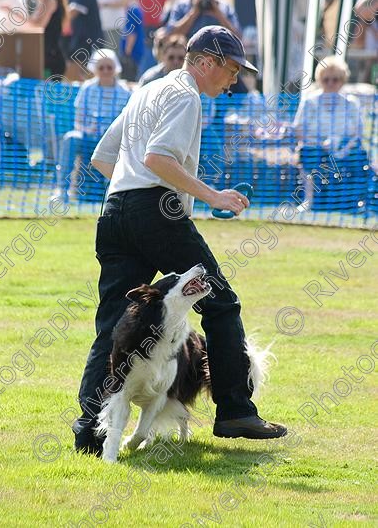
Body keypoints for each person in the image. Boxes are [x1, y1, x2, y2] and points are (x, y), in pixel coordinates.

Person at [72, 25, 287, 456]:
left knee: (113, 324)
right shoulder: (186, 95)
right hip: (158, 214)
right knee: (221, 303)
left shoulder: (145, 91)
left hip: (115, 213)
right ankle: (234, 411)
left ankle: (90, 430)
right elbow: (158, 158)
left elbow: (102, 157)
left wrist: (133, 192)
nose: (234, 80)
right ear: (206, 62)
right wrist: (211, 195)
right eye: (231, 70)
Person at [53, 49, 130, 203]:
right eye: (101, 67)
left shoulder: (125, 92)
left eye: (110, 67)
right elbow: (78, 121)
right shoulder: (87, 89)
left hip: (115, 141)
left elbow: (129, 123)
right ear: (95, 69)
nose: (106, 71)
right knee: (70, 138)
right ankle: (62, 189)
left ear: (116, 68)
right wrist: (88, 129)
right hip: (88, 136)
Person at [293, 56, 366, 210]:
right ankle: (309, 201)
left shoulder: (352, 103)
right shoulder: (309, 101)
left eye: (336, 79)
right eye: (326, 79)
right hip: (314, 147)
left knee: (360, 157)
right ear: (320, 79)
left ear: (342, 80)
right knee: (308, 155)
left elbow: (359, 133)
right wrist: (320, 144)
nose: (331, 83)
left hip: (346, 148)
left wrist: (343, 148)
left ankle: (355, 203)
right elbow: (299, 129)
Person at [23, 0, 66, 77]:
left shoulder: (50, 1)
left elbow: (39, 26)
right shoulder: (42, 2)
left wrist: (17, 16)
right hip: (46, 56)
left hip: (52, 59)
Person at [67, 0, 103, 79]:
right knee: (76, 68)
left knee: (92, 69)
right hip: (78, 37)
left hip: (91, 37)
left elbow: (73, 12)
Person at [135, 0, 167, 75]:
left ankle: (141, 76)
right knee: (156, 51)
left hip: (140, 24)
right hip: (157, 25)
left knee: (142, 52)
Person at [119, 0, 144, 82]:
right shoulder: (136, 9)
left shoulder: (132, 10)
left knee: (128, 79)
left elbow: (132, 33)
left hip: (132, 52)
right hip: (136, 50)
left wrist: (127, 52)